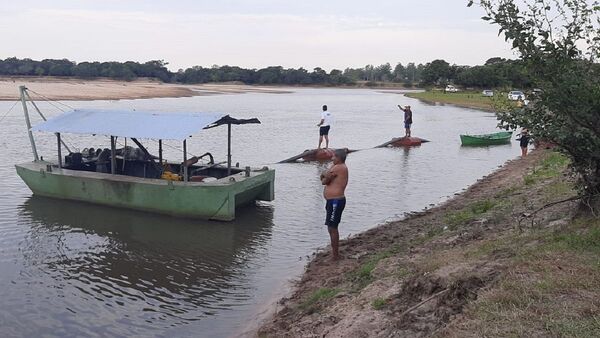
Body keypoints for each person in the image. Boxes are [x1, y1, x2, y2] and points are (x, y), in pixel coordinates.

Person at [320, 149, 349, 261]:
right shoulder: (336, 167)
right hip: (332, 201)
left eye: (333, 157)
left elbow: (324, 179)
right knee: (330, 227)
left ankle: (335, 255)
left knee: (333, 227)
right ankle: (335, 253)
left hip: (336, 201)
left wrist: (325, 175)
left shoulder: (339, 167)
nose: (331, 159)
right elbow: (323, 179)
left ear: (338, 158)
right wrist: (324, 176)